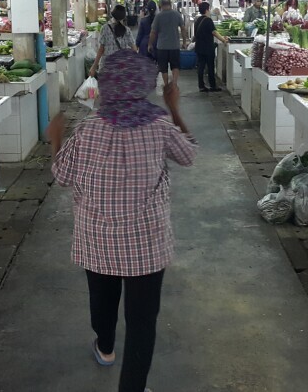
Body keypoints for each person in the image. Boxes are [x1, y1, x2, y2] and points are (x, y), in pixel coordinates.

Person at [47, 50, 197, 392]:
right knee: (142, 323)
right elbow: (188, 155)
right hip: (146, 243)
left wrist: (55, 138)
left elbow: (62, 175)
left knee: (102, 301)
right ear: (143, 86)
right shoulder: (160, 126)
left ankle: (105, 346)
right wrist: (174, 107)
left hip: (97, 239)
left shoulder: (88, 130)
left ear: (106, 86)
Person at [91, 5, 136, 78]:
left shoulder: (105, 28)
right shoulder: (127, 30)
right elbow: (134, 49)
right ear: (123, 17)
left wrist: (94, 67)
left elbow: (101, 50)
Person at [148, 0, 184, 89]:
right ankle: (174, 83)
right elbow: (183, 28)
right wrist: (184, 41)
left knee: (163, 68)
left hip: (162, 46)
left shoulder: (158, 16)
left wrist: (150, 44)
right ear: (170, 5)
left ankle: (166, 84)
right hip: (174, 45)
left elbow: (153, 32)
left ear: (161, 5)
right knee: (175, 65)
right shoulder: (177, 14)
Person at [193, 2, 229, 92]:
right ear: (206, 10)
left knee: (201, 66)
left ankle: (201, 85)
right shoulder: (208, 20)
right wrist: (223, 40)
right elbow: (214, 32)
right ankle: (213, 86)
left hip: (199, 46)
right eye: (209, 9)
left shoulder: (198, 20)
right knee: (210, 67)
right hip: (207, 47)